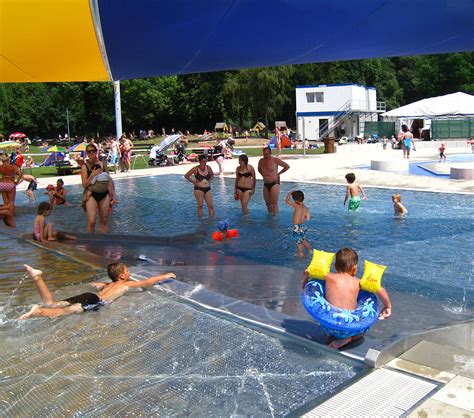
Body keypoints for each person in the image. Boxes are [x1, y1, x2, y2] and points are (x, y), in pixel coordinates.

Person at [301, 247, 392, 349]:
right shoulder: (358, 282)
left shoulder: (328, 277)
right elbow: (380, 289)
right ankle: (348, 339)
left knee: (325, 317)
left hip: (330, 326)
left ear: (335, 266)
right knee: (363, 328)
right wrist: (387, 306)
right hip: (349, 328)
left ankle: (335, 336)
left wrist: (304, 283)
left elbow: (307, 272)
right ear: (354, 268)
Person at [19, 263, 176, 320]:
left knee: (52, 303)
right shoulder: (126, 284)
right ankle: (39, 312)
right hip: (95, 301)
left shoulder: (108, 284)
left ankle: (37, 278)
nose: (129, 273)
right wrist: (165, 275)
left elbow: (103, 285)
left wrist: (101, 283)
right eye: (127, 271)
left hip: (89, 296)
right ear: (122, 276)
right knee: (63, 311)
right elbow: (147, 282)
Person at [81, 143, 117, 233]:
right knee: (92, 221)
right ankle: (90, 243)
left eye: (94, 151)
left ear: (97, 152)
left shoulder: (103, 164)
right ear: (87, 153)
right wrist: (92, 175)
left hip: (104, 194)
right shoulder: (85, 167)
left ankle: (104, 243)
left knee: (104, 221)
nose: (92, 153)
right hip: (92, 195)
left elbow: (109, 179)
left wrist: (113, 195)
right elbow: (84, 184)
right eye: (89, 151)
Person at [257, 147, 290, 215]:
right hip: (266, 184)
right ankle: (269, 218)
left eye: (267, 154)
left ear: (270, 153)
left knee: (274, 203)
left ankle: (275, 220)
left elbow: (286, 166)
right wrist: (263, 175)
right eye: (264, 154)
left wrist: (278, 173)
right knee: (267, 204)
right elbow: (259, 169)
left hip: (274, 183)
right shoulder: (261, 161)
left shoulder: (275, 160)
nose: (265, 156)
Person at [285, 190, 311, 257]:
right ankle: (310, 251)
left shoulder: (296, 205)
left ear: (295, 200)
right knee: (303, 239)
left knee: (298, 241)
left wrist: (289, 193)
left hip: (297, 227)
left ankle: (300, 253)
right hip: (303, 226)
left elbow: (287, 201)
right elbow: (308, 218)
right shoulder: (306, 208)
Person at [0, 153, 23, 219]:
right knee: (11, 202)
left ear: (2, 160)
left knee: (5, 202)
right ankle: (11, 216)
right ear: (8, 159)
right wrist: (16, 182)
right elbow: (21, 174)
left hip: (2, 184)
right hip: (10, 184)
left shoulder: (0, 167)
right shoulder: (13, 166)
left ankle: (5, 216)